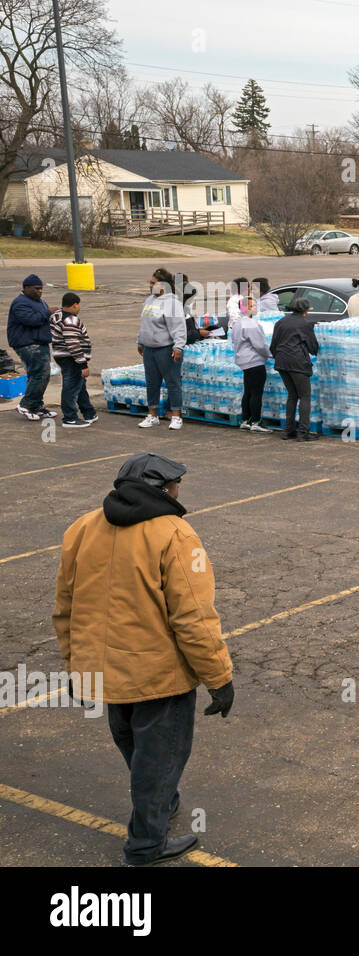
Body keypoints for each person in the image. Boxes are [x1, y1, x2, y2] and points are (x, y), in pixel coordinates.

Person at [53, 453, 234, 867]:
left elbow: (65, 608)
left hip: (107, 674)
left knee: (138, 751)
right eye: (175, 485)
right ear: (163, 490)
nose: (179, 490)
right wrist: (220, 678)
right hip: (159, 678)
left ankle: (162, 803)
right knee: (159, 760)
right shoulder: (176, 535)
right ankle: (145, 847)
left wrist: (76, 669)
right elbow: (194, 618)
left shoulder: (82, 528)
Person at [136, 268, 187, 430]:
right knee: (152, 383)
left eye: (153, 283)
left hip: (166, 349)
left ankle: (176, 416)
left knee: (172, 382)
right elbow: (144, 323)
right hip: (149, 349)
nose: (150, 286)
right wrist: (140, 341)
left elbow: (179, 327)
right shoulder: (149, 300)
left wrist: (178, 346)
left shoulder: (172, 303)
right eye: (150, 283)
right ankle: (152, 415)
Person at [270, 296, 320, 442]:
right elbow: (313, 348)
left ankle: (288, 430)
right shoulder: (305, 324)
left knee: (292, 395)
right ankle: (303, 432)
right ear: (305, 311)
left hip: (281, 362)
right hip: (297, 363)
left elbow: (273, 345)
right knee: (305, 396)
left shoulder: (280, 322)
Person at [7, 273, 56, 420]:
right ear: (26, 288)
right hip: (28, 344)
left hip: (40, 343)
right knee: (40, 374)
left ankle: (36, 406)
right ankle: (26, 405)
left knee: (40, 375)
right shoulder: (20, 303)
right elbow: (31, 320)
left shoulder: (40, 302)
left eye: (41, 289)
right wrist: (48, 312)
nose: (40, 291)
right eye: (36, 289)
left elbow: (44, 320)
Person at [49, 292, 98, 428]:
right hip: (71, 358)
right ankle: (69, 418)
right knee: (71, 387)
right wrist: (83, 364)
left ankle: (89, 413)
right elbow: (73, 343)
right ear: (75, 304)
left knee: (79, 385)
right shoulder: (70, 320)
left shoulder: (56, 315)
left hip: (62, 356)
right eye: (78, 305)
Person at [229, 303, 273, 433]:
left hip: (243, 361)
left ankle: (245, 419)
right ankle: (256, 421)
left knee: (248, 391)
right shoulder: (251, 324)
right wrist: (271, 354)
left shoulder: (238, 323)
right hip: (254, 361)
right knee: (256, 392)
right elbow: (260, 345)